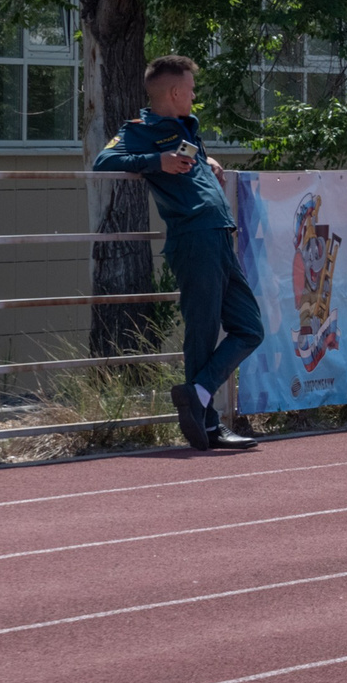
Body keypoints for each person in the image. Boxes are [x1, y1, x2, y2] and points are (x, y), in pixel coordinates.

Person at [90, 55, 263, 452]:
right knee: (202, 332)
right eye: (191, 88)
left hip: (218, 233)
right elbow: (104, 162)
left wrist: (207, 161)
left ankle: (198, 394)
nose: (195, 94)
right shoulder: (142, 130)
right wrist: (158, 161)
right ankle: (208, 425)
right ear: (174, 92)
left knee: (250, 327)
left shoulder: (187, 127)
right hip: (193, 236)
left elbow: (189, 164)